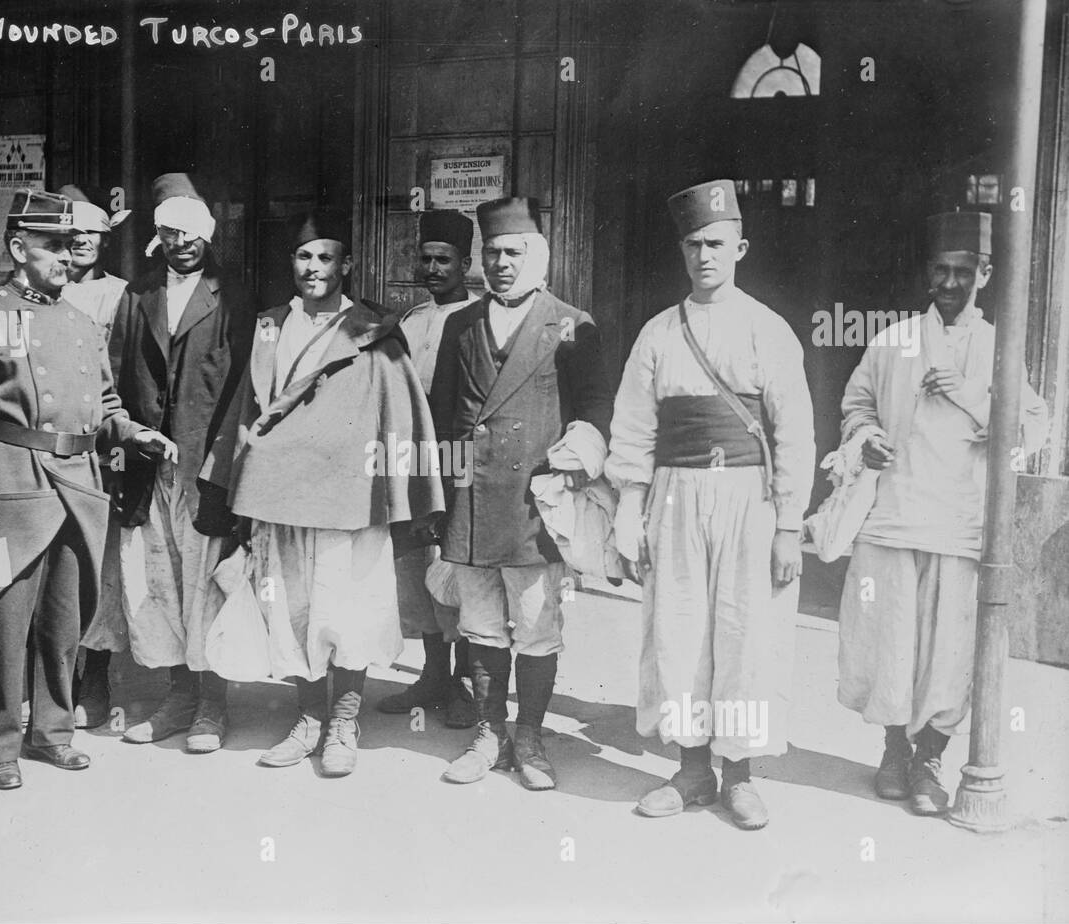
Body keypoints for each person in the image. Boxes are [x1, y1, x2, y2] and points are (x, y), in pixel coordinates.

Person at [0, 189, 175, 791]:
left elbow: (105, 402)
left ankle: (53, 733)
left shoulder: (81, 321)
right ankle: (1, 747)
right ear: (18, 248)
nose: (67, 257)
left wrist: (136, 433)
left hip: (79, 486)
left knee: (64, 621)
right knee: (4, 625)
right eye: (52, 245)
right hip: (15, 484)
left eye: (73, 245)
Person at [605, 179, 815, 829]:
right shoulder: (659, 334)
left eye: (717, 243)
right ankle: (692, 768)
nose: (705, 256)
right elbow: (634, 431)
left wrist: (788, 524)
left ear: (740, 246)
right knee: (679, 629)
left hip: (748, 499)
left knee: (746, 633)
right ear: (682, 250)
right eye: (693, 244)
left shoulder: (767, 330)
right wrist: (628, 512)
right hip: (675, 495)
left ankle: (741, 775)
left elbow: (795, 433)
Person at [205, 209, 443, 777]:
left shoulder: (372, 327)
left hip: (349, 497)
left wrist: (399, 489)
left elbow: (398, 408)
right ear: (292, 263)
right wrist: (234, 472)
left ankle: (343, 722)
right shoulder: (269, 324)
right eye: (304, 258)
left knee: (349, 610)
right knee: (290, 609)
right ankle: (308, 716)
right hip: (280, 494)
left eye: (326, 258)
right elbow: (248, 405)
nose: (313, 269)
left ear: (347, 265)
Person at [836, 210, 1048, 815]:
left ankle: (930, 758)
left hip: (960, 527)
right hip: (894, 518)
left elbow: (1032, 427)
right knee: (889, 644)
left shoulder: (996, 345)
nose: (951, 283)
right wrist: (865, 434)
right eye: (941, 271)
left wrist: (969, 394)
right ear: (928, 275)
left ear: (984, 272)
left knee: (949, 653)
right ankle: (892, 754)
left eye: (964, 271)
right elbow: (855, 404)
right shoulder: (894, 339)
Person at [428, 196, 613, 791]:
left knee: (534, 623)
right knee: (480, 624)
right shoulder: (461, 323)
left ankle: (529, 736)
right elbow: (443, 419)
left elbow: (594, 410)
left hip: (534, 505)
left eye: (514, 252)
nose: (501, 263)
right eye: (492, 253)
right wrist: (447, 502)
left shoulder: (571, 324)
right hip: (475, 504)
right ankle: (489, 733)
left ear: (538, 255)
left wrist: (578, 453)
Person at [111, 173, 255, 752]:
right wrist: (134, 434)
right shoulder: (137, 295)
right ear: (158, 237)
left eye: (191, 232)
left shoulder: (234, 296)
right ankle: (178, 697)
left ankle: (212, 707)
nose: (182, 243)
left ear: (208, 235)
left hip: (206, 466)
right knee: (161, 579)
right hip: (151, 464)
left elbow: (247, 386)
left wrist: (225, 464)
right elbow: (119, 376)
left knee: (206, 582)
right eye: (170, 232)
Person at [376, 208, 478, 728]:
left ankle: (465, 682)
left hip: (458, 459)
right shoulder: (411, 321)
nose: (434, 268)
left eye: (445, 260)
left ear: (465, 263)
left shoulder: (482, 317)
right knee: (415, 568)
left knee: (456, 569)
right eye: (428, 258)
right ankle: (433, 673)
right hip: (414, 459)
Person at [57, 183, 133, 729]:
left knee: (100, 562)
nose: (82, 241)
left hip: (103, 444)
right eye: (72, 232)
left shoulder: (122, 295)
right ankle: (51, 675)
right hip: (47, 443)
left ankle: (97, 676)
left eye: (92, 233)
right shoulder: (43, 289)